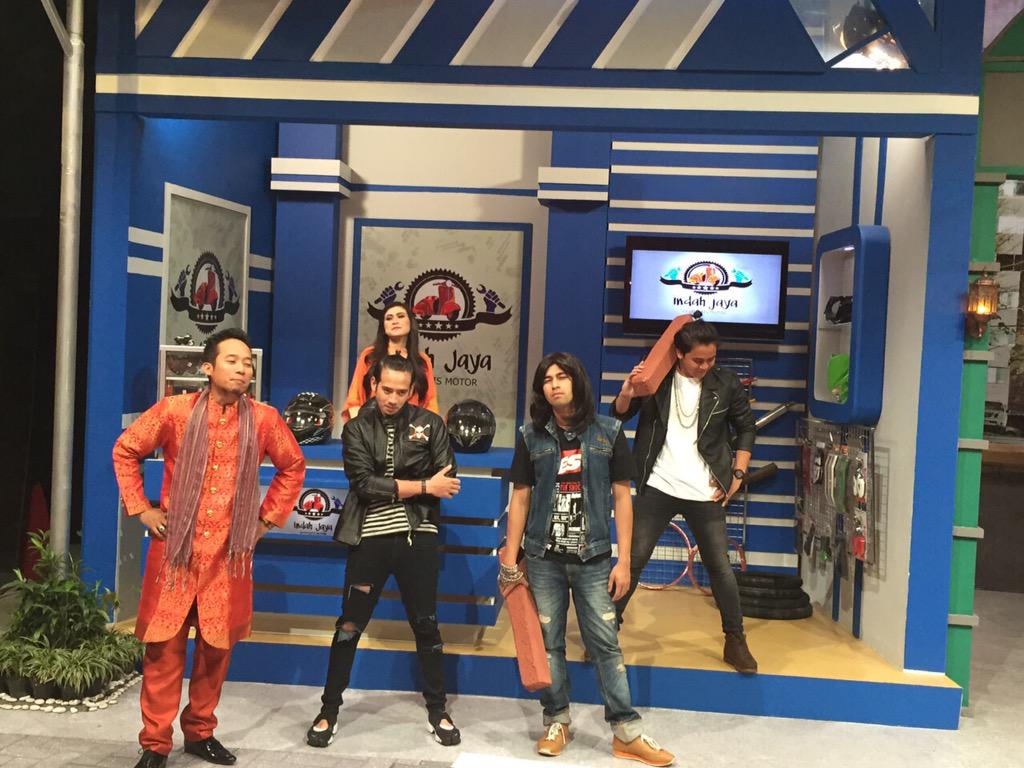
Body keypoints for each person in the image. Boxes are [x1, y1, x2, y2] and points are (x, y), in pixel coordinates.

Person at [112, 328, 306, 768]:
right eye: (232, 361)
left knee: (215, 653)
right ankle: (155, 744)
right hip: (174, 553)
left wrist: (264, 521)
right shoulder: (174, 411)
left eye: (248, 363)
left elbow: (293, 466)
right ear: (207, 367)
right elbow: (126, 449)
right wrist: (141, 509)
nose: (242, 369)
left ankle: (200, 732)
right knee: (163, 652)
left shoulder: (264, 419)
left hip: (228, 557)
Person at [500, 352, 674, 767]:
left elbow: (622, 498)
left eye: (561, 377)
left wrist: (624, 561)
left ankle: (626, 732)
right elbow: (520, 497)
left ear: (577, 381)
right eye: (547, 380)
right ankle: (556, 721)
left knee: (605, 645)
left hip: (594, 558)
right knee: (550, 644)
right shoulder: (530, 436)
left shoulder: (609, 431)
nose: (554, 385)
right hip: (542, 557)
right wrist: (509, 558)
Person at [307, 354, 462, 748]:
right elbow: (363, 484)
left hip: (418, 536)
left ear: (412, 392)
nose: (393, 398)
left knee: (426, 624)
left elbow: (448, 477)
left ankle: (438, 710)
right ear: (373, 385)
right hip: (369, 540)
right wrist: (422, 486)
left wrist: (402, 486)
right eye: (386, 389)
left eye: (401, 391)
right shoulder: (356, 428)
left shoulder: (431, 424)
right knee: (349, 625)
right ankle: (328, 710)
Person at [611, 319, 758, 674]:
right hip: (659, 483)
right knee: (634, 559)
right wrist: (629, 389)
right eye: (698, 360)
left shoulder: (726, 383)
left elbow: (746, 427)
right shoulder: (656, 379)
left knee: (719, 566)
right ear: (679, 353)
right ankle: (605, 631)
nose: (705, 366)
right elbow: (619, 414)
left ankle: (735, 641)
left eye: (711, 359)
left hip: (705, 490)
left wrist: (738, 473)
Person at [342, 301, 439, 421]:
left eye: (400, 316)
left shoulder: (422, 361)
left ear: (410, 322)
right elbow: (354, 400)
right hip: (372, 426)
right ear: (383, 326)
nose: (395, 321)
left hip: (412, 428)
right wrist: (362, 428)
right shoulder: (370, 356)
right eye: (389, 318)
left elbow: (431, 405)